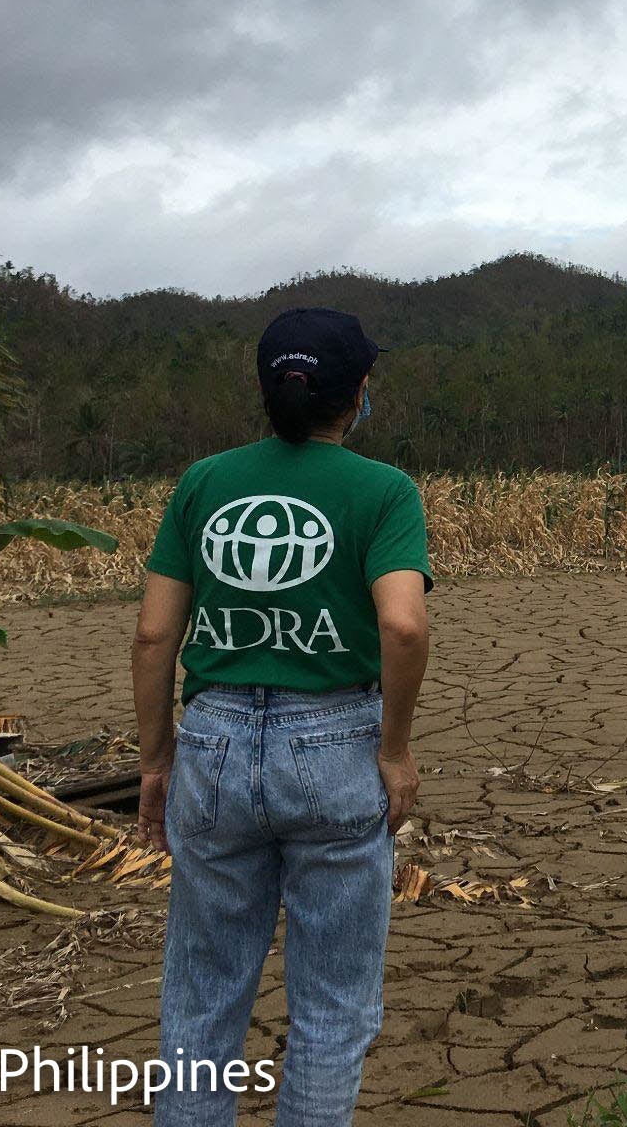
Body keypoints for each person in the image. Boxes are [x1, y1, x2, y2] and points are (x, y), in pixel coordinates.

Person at [132, 307, 431, 1127]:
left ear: (266, 387)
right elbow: (403, 624)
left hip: (215, 742)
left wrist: (157, 762)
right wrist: (395, 749)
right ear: (358, 392)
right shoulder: (383, 491)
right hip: (336, 745)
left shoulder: (204, 482)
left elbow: (155, 631)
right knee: (332, 1012)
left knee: (202, 1004)